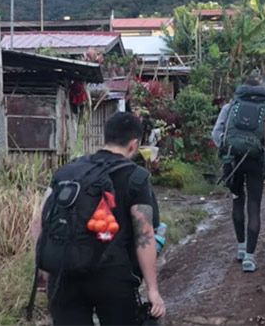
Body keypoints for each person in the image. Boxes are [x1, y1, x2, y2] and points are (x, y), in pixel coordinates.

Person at [30, 112, 165, 325]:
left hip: (65, 273)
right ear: (134, 144)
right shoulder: (136, 176)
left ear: (106, 137)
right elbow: (144, 235)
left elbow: (39, 223)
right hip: (113, 277)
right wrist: (153, 290)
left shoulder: (68, 171)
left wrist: (44, 269)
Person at [212, 76, 265, 272]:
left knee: (237, 200)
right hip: (256, 164)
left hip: (232, 161)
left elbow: (216, 134)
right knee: (254, 206)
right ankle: (249, 258)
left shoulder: (230, 106)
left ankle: (240, 248)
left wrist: (228, 150)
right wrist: (263, 153)